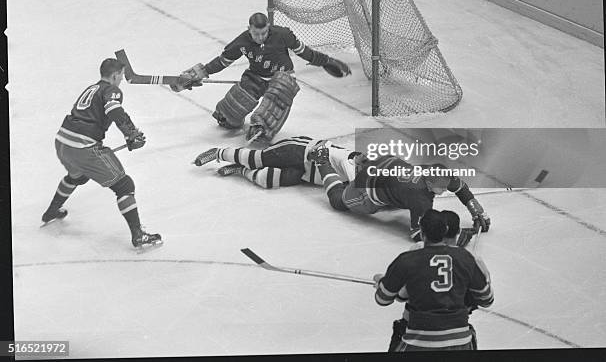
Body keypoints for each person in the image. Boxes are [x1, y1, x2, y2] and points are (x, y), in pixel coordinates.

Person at [172, 13, 351, 141]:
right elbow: (222, 61)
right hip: (255, 76)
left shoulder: (283, 35)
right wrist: (201, 73)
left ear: (268, 28)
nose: (260, 37)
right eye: (256, 34)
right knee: (229, 114)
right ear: (248, 29)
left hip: (282, 77)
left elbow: (305, 52)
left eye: (264, 33)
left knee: (275, 101)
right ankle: (230, 116)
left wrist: (326, 61)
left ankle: (263, 127)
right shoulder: (241, 42)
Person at [41, 58, 161, 250]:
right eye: (121, 75)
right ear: (115, 75)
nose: (122, 79)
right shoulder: (112, 90)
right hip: (83, 147)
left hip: (63, 141)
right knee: (124, 185)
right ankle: (139, 236)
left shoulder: (92, 88)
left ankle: (51, 212)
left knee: (77, 177)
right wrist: (132, 133)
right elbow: (114, 110)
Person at [308, 148, 491, 242]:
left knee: (394, 198)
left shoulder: (437, 174)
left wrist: (476, 210)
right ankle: (322, 160)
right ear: (428, 184)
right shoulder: (419, 197)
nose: (444, 191)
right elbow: (417, 234)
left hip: (388, 163)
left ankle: (359, 167)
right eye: (441, 189)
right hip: (368, 186)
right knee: (338, 201)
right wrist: (451, 237)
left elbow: (460, 187)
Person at [375, 209, 494, 352]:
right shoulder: (467, 258)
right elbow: (487, 299)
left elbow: (390, 298)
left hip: (418, 338)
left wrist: (382, 282)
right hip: (459, 340)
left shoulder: (410, 256)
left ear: (422, 233)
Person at [193, 136, 355, 189]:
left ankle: (240, 170)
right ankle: (218, 153)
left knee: (266, 180)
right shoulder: (349, 162)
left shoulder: (359, 175)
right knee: (258, 159)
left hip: (304, 174)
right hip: (299, 151)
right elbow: (322, 147)